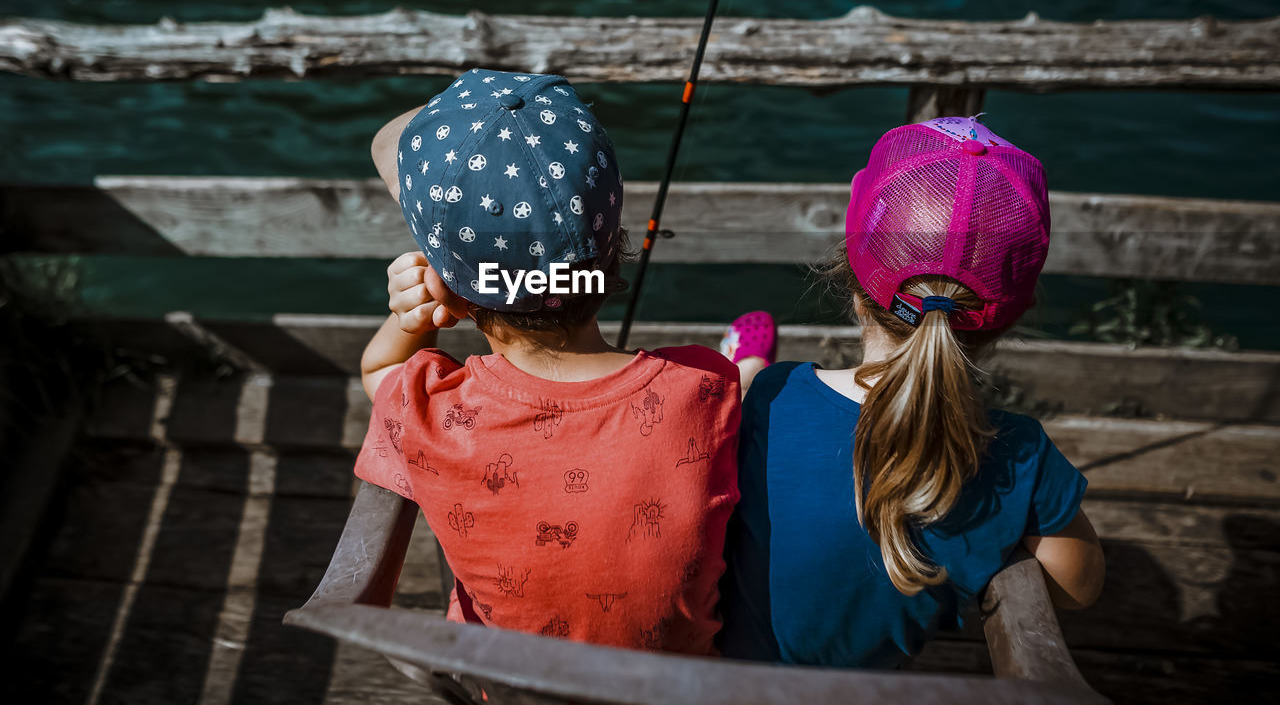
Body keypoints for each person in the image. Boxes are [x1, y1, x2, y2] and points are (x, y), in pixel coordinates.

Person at [354, 68, 741, 655]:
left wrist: (414, 316)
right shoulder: (707, 385)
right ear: (611, 251)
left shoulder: (431, 409)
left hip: (504, 687)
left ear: (454, 292)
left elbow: (376, 372)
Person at [716, 116, 1106, 667]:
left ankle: (742, 363)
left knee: (749, 385)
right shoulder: (1017, 455)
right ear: (1006, 321)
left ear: (853, 283)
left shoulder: (775, 403)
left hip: (716, 686)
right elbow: (1078, 585)